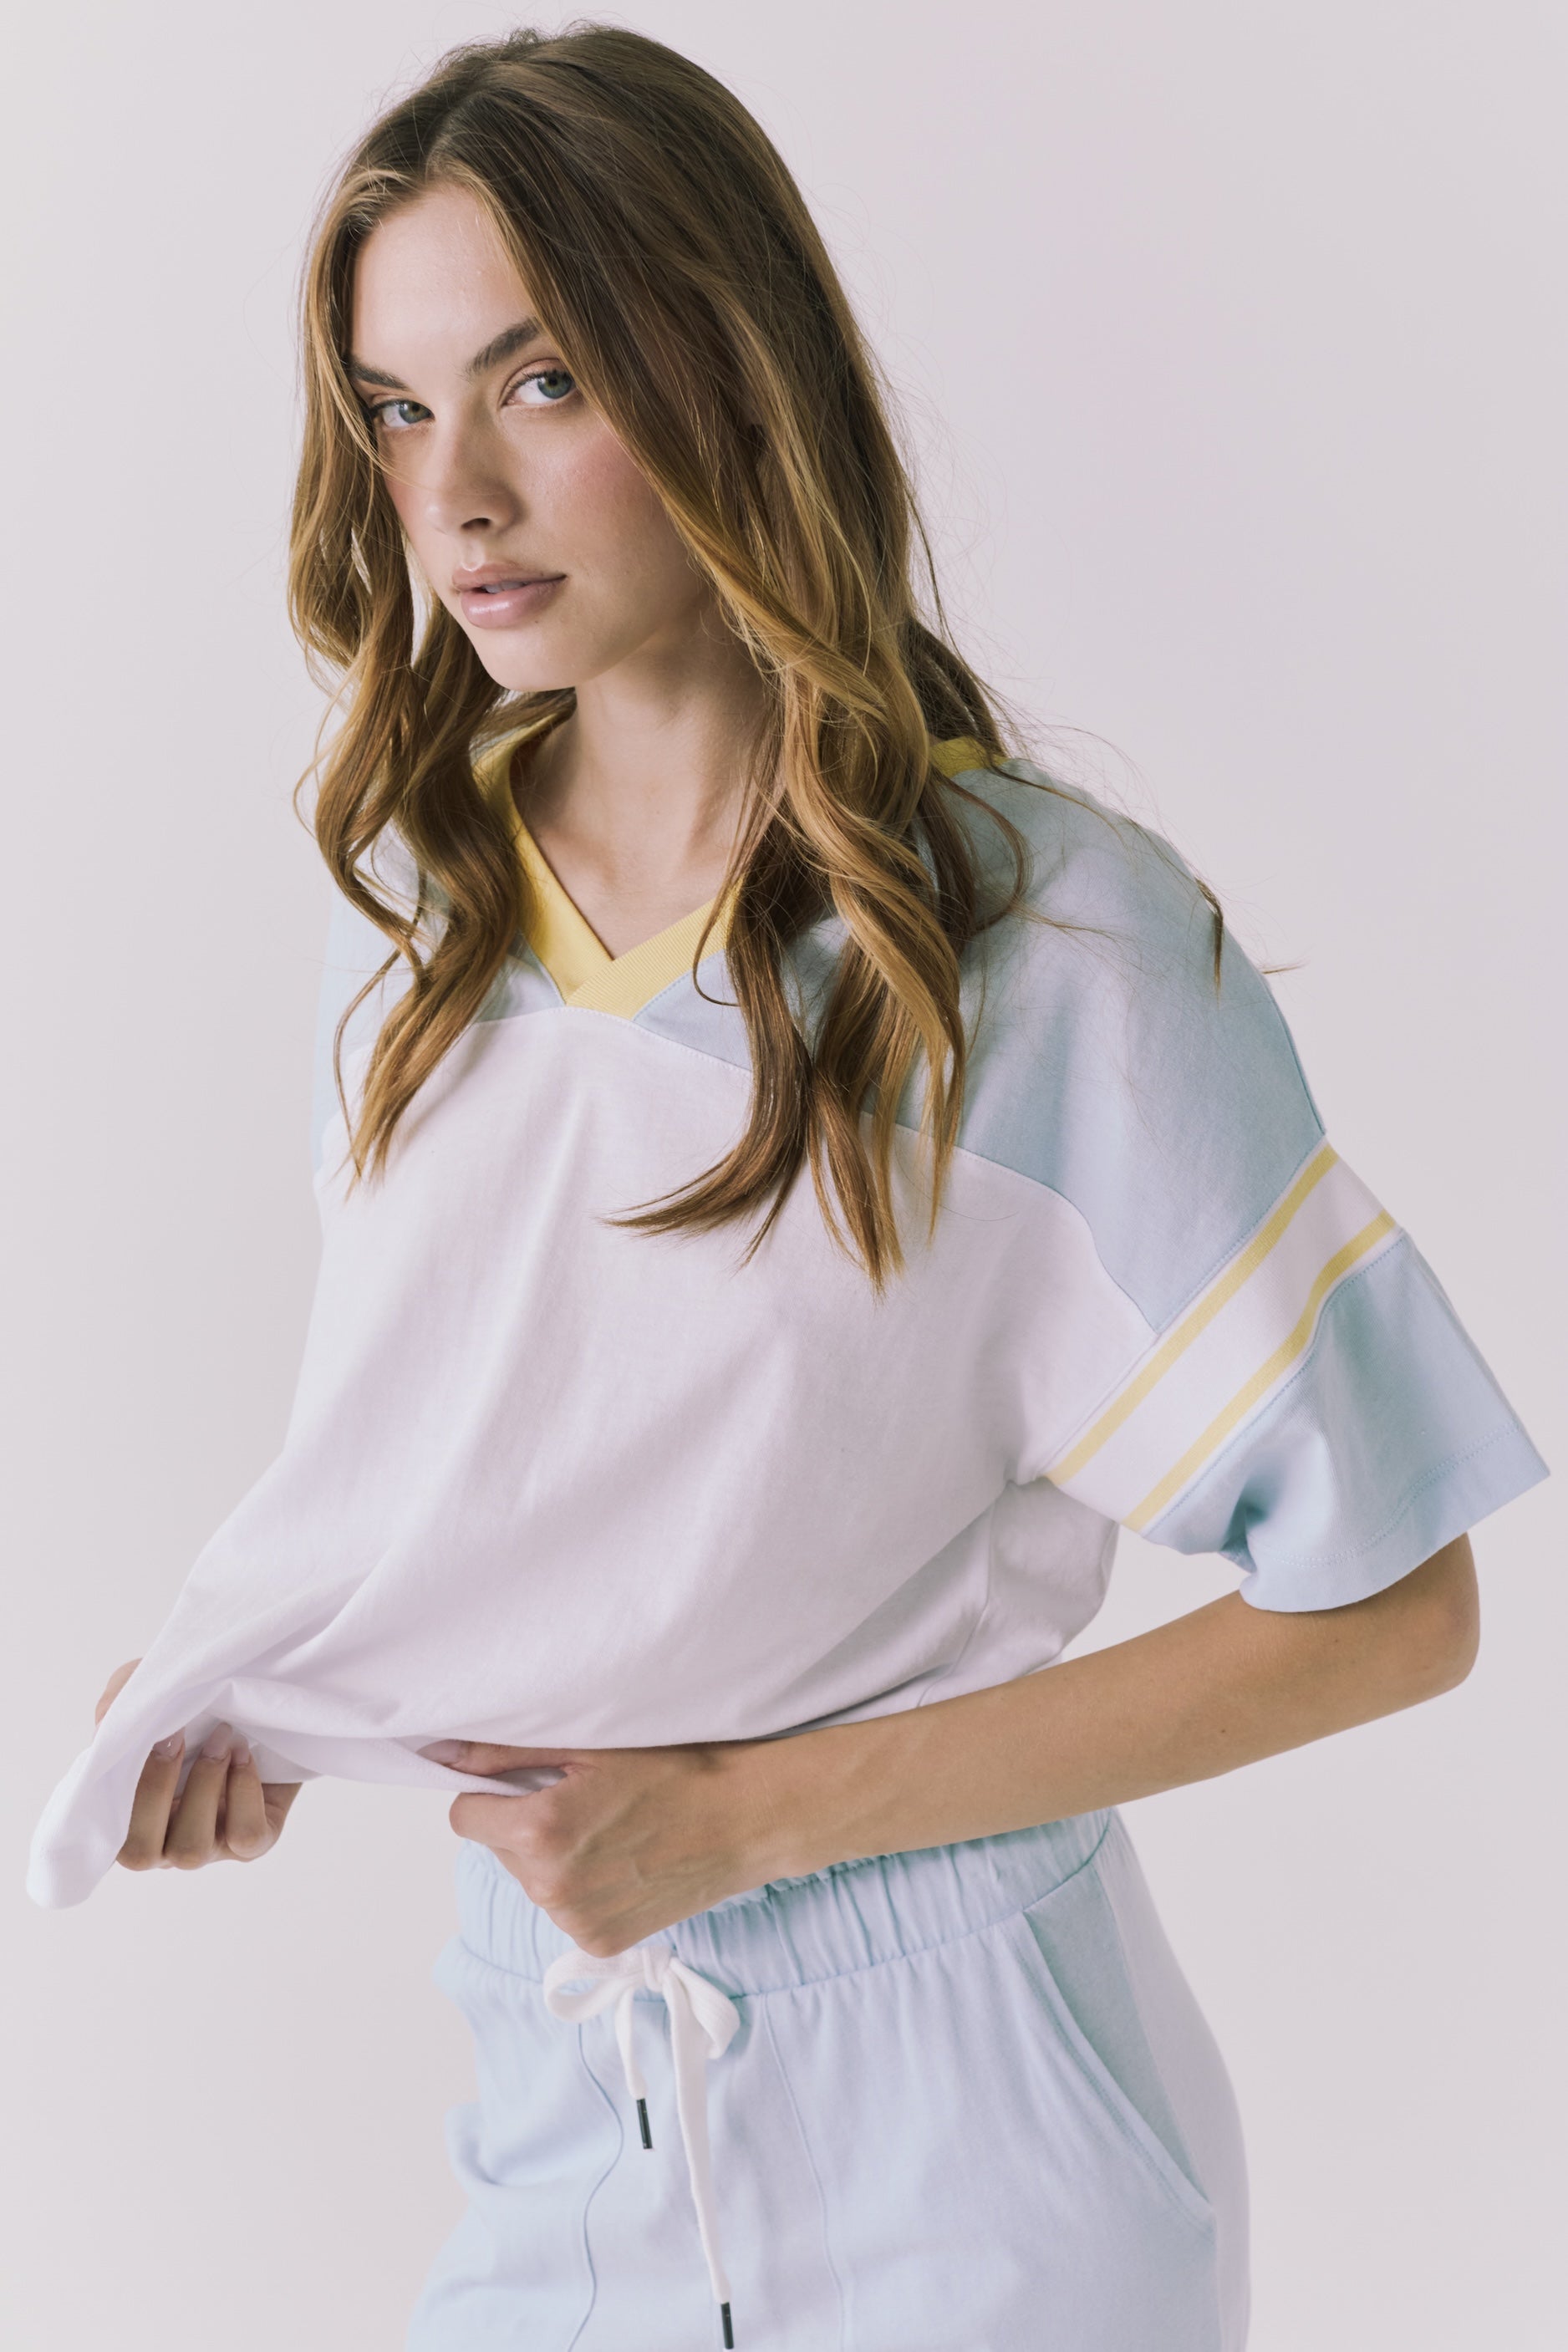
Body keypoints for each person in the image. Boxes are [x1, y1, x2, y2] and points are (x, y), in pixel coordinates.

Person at [30, 26, 1546, 2352]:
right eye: (398, 410)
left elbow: (1392, 1601)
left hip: (975, 2130)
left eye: (541, 382)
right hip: (558, 2090)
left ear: (728, 374)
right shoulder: (420, 948)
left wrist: (751, 1821)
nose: (456, 498)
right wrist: (269, 1690)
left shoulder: (1043, 950)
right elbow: (532, 1492)